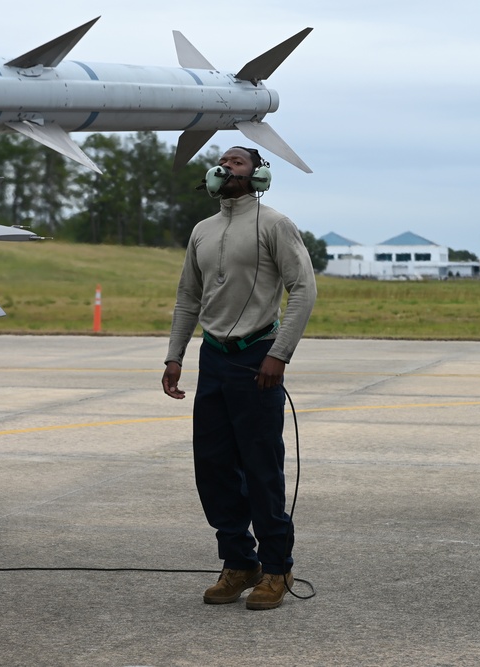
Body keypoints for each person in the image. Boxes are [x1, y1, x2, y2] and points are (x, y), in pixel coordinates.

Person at [162, 146, 316, 610]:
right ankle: (238, 563)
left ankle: (275, 569)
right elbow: (188, 297)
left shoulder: (273, 224)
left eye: (238, 162)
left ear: (259, 174)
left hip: (257, 359)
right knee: (212, 467)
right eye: (222, 161)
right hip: (215, 360)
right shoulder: (201, 231)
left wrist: (280, 354)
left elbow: (303, 288)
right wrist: (174, 358)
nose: (227, 166)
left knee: (261, 468)